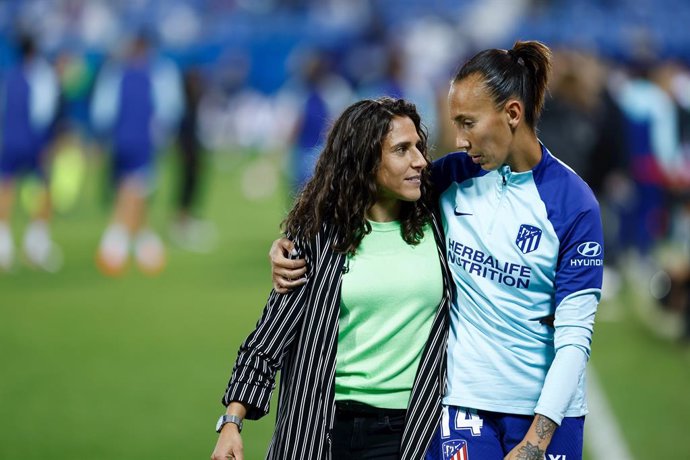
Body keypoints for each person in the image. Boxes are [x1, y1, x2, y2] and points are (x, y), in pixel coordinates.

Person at [270, 41, 604, 460]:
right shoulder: (451, 177)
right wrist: (292, 241)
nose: (459, 140)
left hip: (546, 413)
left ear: (512, 114)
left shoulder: (573, 203)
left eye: (468, 123)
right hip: (464, 404)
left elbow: (575, 339)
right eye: (454, 124)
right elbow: (359, 195)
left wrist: (536, 441)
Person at [211, 97, 453, 460]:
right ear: (366, 160)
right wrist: (232, 421)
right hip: (320, 429)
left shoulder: (443, 221)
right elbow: (268, 337)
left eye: (419, 146)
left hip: (412, 433)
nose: (419, 159)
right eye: (402, 149)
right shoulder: (318, 237)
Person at [90, 33, 182, 276]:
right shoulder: (160, 73)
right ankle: (116, 243)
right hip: (142, 141)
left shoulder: (115, 72)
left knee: (131, 187)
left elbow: (102, 112)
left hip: (120, 140)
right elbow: (170, 110)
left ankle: (142, 243)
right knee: (135, 188)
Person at [0, 33, 61, 272]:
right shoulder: (43, 76)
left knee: (6, 187)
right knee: (44, 190)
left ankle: (3, 248)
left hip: (9, 140)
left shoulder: (8, 76)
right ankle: (36, 247)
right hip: (33, 140)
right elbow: (42, 113)